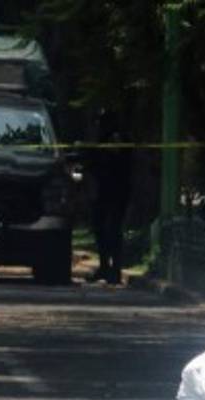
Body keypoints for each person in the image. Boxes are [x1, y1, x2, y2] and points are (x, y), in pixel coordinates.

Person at [86, 110, 132, 285]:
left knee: (112, 230)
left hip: (116, 191)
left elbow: (119, 163)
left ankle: (115, 269)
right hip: (102, 191)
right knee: (100, 229)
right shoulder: (102, 140)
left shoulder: (117, 139)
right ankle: (105, 266)